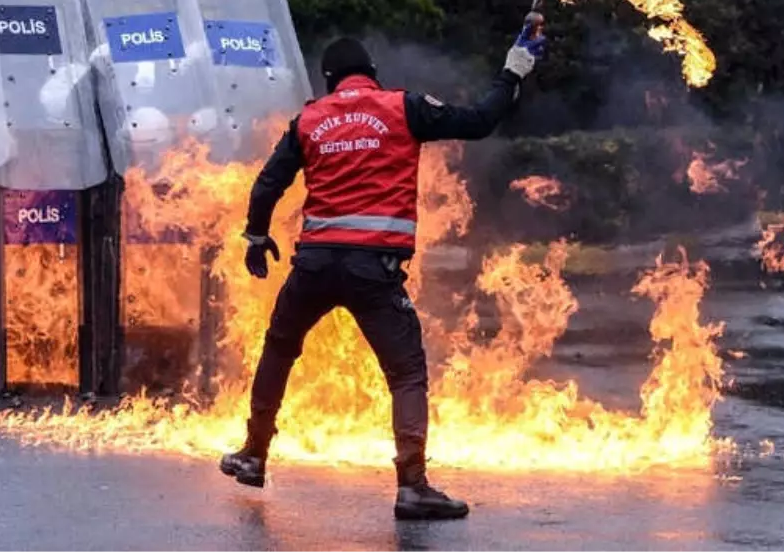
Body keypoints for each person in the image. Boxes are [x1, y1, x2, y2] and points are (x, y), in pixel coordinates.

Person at [218, 27, 545, 521]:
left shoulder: (309, 119)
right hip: (374, 269)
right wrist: (513, 70)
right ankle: (412, 486)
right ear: (371, 74)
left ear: (330, 83)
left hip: (314, 264)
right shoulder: (401, 107)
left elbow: (267, 184)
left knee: (280, 348)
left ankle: (253, 454)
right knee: (406, 372)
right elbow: (479, 120)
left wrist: (257, 237)